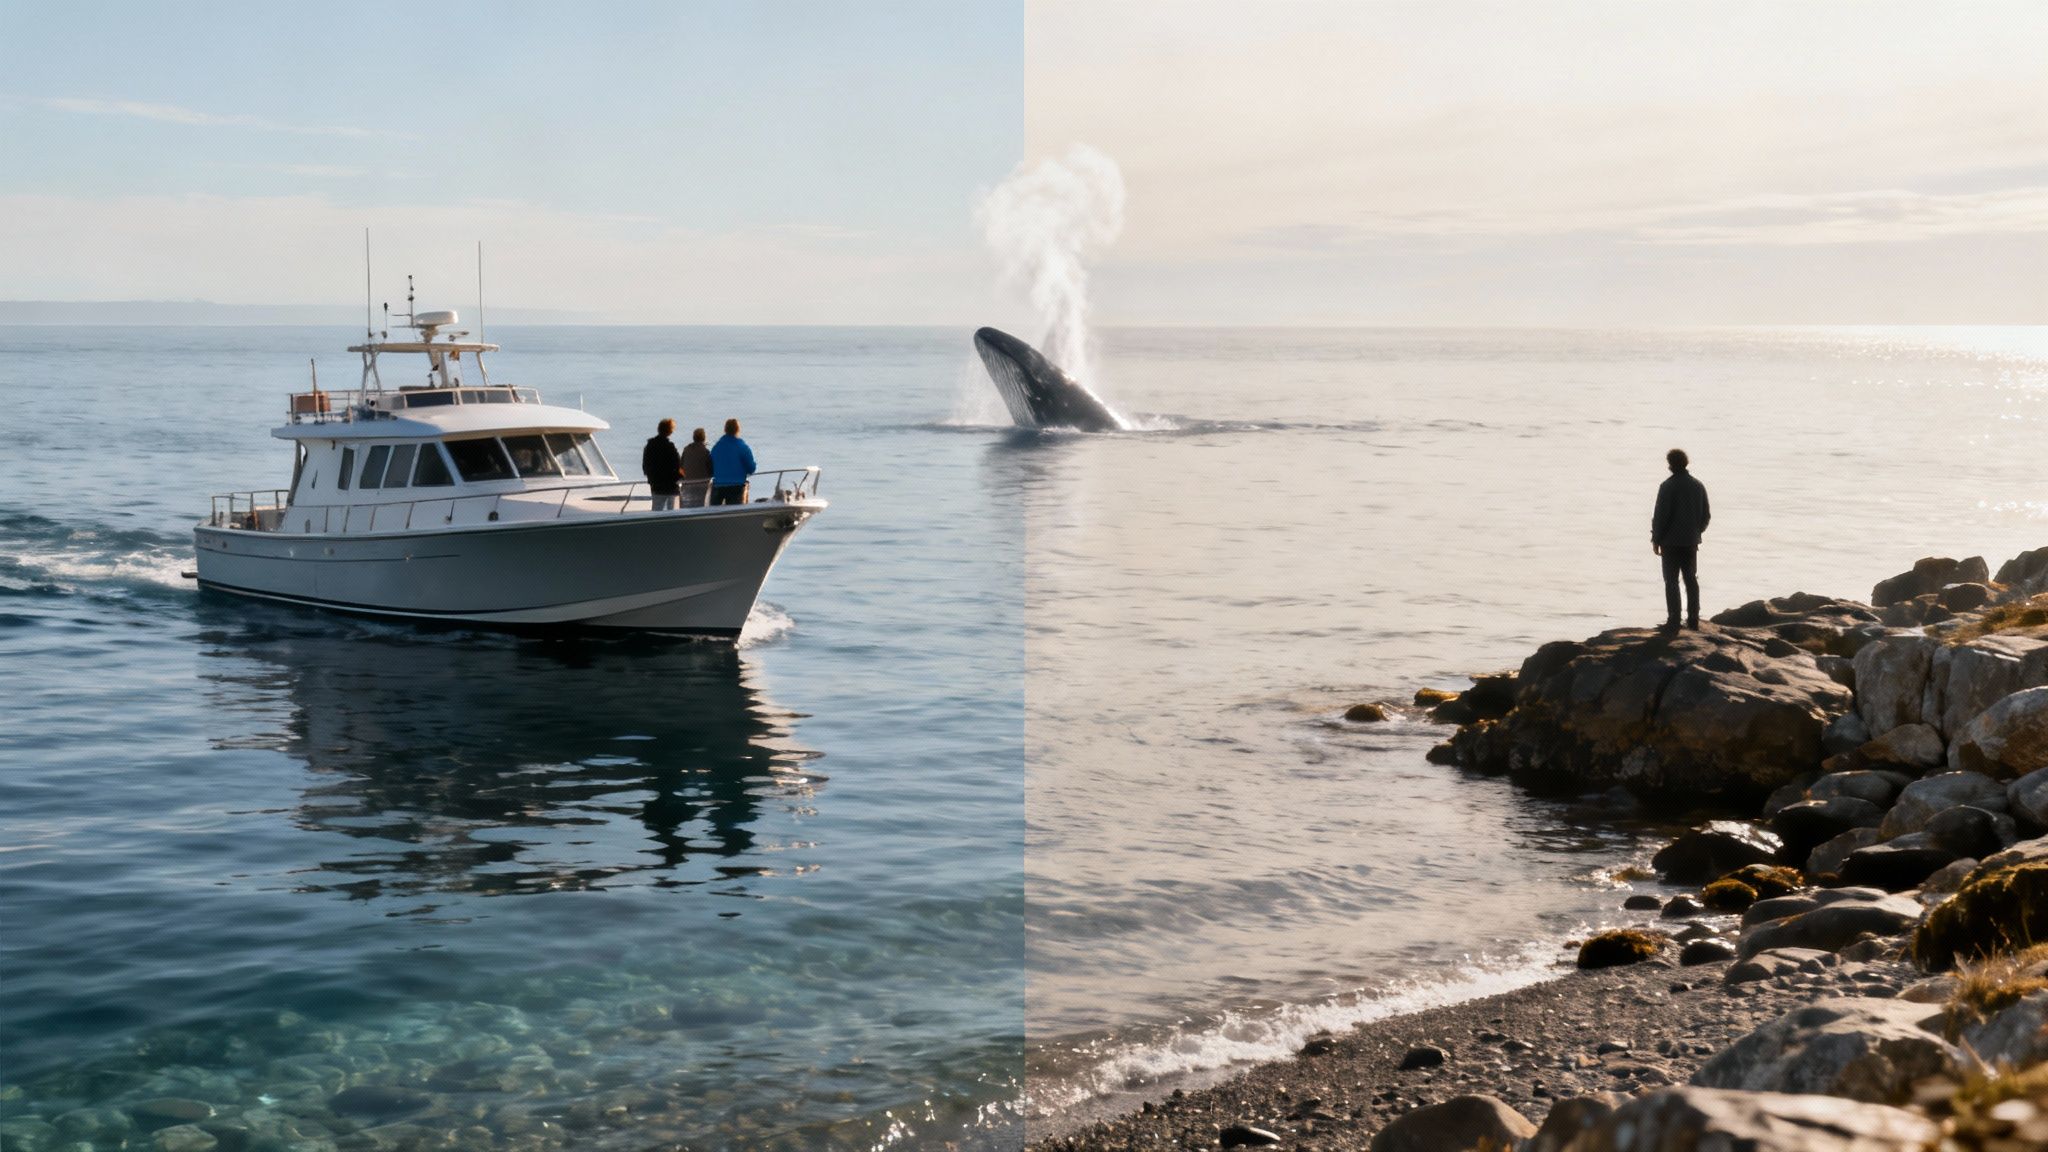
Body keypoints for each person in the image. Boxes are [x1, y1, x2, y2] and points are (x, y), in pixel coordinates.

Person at [1652, 448, 1711, 631]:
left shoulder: (1667, 486)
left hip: (1670, 542)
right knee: (1690, 579)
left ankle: (1674, 620)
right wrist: (1696, 532)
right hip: (1690, 541)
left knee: (1671, 581)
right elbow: (1706, 515)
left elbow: (1661, 516)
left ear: (1670, 464)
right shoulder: (1698, 485)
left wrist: (1656, 539)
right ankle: (1693, 619)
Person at [709, 417, 756, 506]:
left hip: (717, 486)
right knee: (736, 514)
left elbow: (710, 466)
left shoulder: (716, 448)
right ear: (738, 430)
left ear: (725, 430)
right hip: (736, 487)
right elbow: (751, 468)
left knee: (716, 515)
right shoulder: (742, 447)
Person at [641, 418, 682, 511]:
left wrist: (650, 477)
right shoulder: (670, 447)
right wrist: (681, 477)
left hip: (656, 485)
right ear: (670, 431)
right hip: (671, 486)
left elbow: (645, 465)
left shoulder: (649, 446)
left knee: (656, 510)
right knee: (672, 512)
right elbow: (678, 465)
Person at [680, 426, 714, 507]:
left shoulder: (686, 450)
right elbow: (711, 471)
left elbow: (681, 467)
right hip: (702, 485)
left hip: (687, 484)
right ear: (704, 439)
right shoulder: (706, 452)